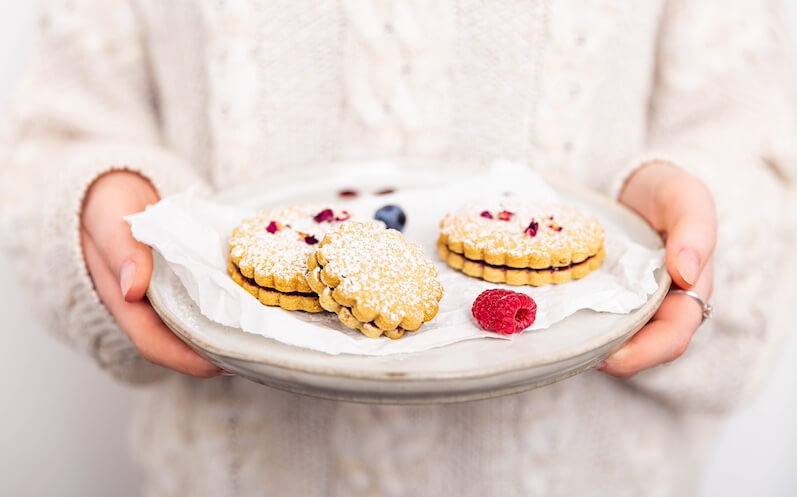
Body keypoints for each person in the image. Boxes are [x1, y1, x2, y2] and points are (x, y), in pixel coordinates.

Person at [1, 0, 796, 495]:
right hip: (232, 472)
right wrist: (103, 198)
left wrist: (688, 213)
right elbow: (53, 138)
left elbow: (754, 148)